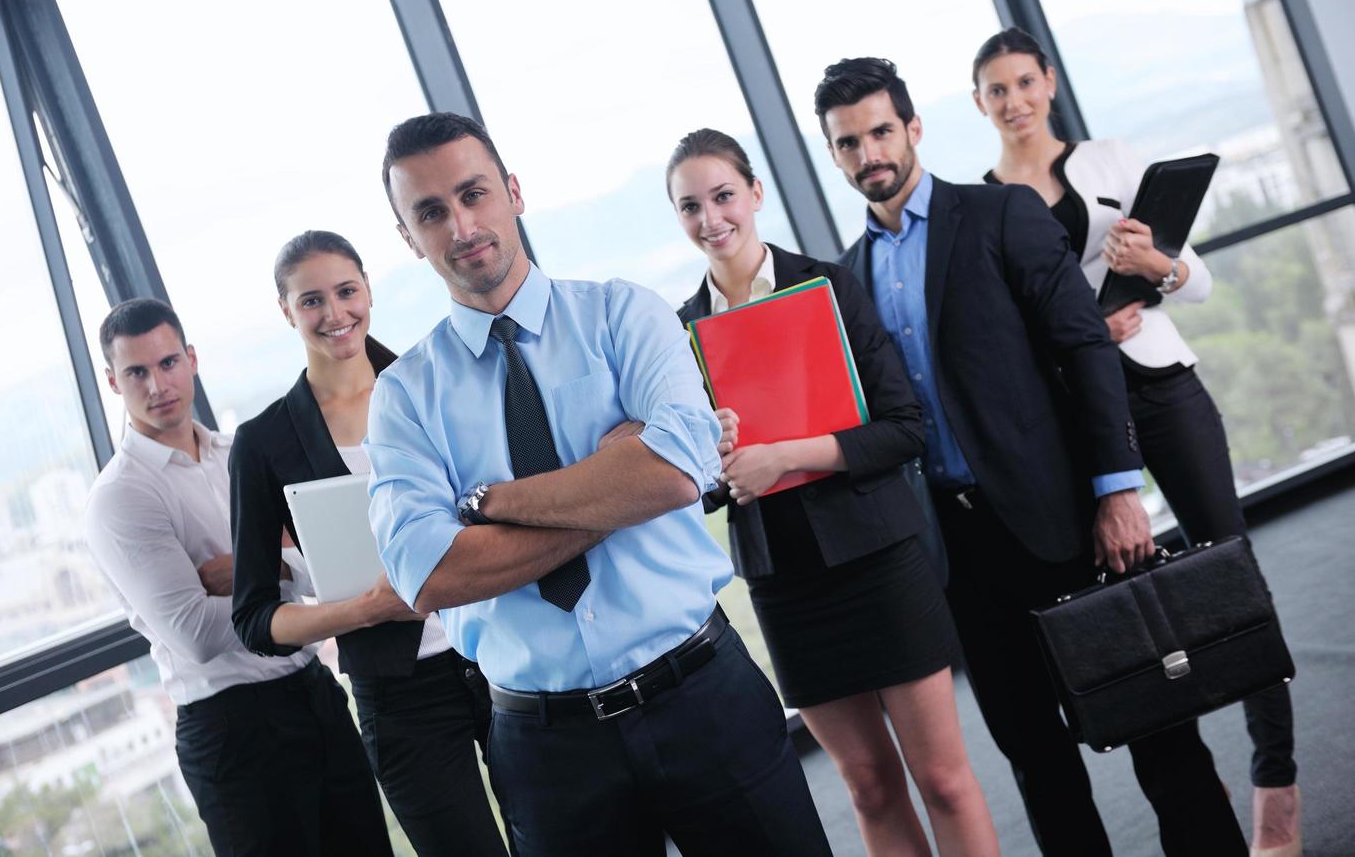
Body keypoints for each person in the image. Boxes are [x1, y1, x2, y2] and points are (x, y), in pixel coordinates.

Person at [368, 112, 832, 857]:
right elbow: (429, 571)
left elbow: (680, 471)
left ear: (513, 193)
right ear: (408, 236)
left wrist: (494, 504)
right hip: (547, 749)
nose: (461, 225)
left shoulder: (623, 315)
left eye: (474, 193)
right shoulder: (403, 397)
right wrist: (616, 480)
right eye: (430, 212)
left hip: (701, 695)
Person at [820, 57, 1247, 856]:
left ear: (913, 129)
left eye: (881, 131)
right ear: (834, 155)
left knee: (1159, 733)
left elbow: (1085, 346)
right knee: (1038, 767)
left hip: (1067, 520)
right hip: (960, 557)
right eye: (849, 143)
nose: (869, 152)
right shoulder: (849, 280)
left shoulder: (999, 214)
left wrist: (1120, 490)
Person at [972, 25, 1302, 857]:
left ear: (1048, 81)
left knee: (1233, 569)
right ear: (979, 104)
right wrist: (1085, 330)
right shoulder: (986, 205)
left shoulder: (1112, 160)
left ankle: (1277, 784)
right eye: (996, 90)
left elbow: (1199, 281)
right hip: (1080, 412)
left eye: (1024, 82)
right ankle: (1193, 779)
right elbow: (1008, 340)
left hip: (1160, 384)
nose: (1014, 101)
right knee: (1126, 593)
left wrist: (1156, 264)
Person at [667, 128, 999, 857]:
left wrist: (780, 455)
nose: (710, 217)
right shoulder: (680, 334)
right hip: (786, 584)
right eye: (690, 206)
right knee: (869, 788)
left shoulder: (827, 286)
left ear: (755, 194)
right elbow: (696, 489)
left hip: (880, 560)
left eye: (723, 195)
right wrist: (713, 465)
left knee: (942, 779)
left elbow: (904, 428)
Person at [228, 231, 508, 857]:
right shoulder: (264, 442)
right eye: (311, 301)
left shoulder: (436, 382)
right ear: (286, 311)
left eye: (347, 291)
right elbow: (253, 619)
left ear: (369, 291)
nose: (335, 314)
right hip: (399, 697)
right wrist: (366, 610)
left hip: (505, 651)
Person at [84, 298, 391, 857]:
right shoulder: (122, 496)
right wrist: (285, 571)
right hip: (234, 727)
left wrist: (261, 570)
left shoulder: (240, 452)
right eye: (136, 372)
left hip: (316, 698)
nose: (158, 384)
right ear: (112, 381)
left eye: (169, 362)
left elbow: (327, 561)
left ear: (192, 359)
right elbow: (196, 635)